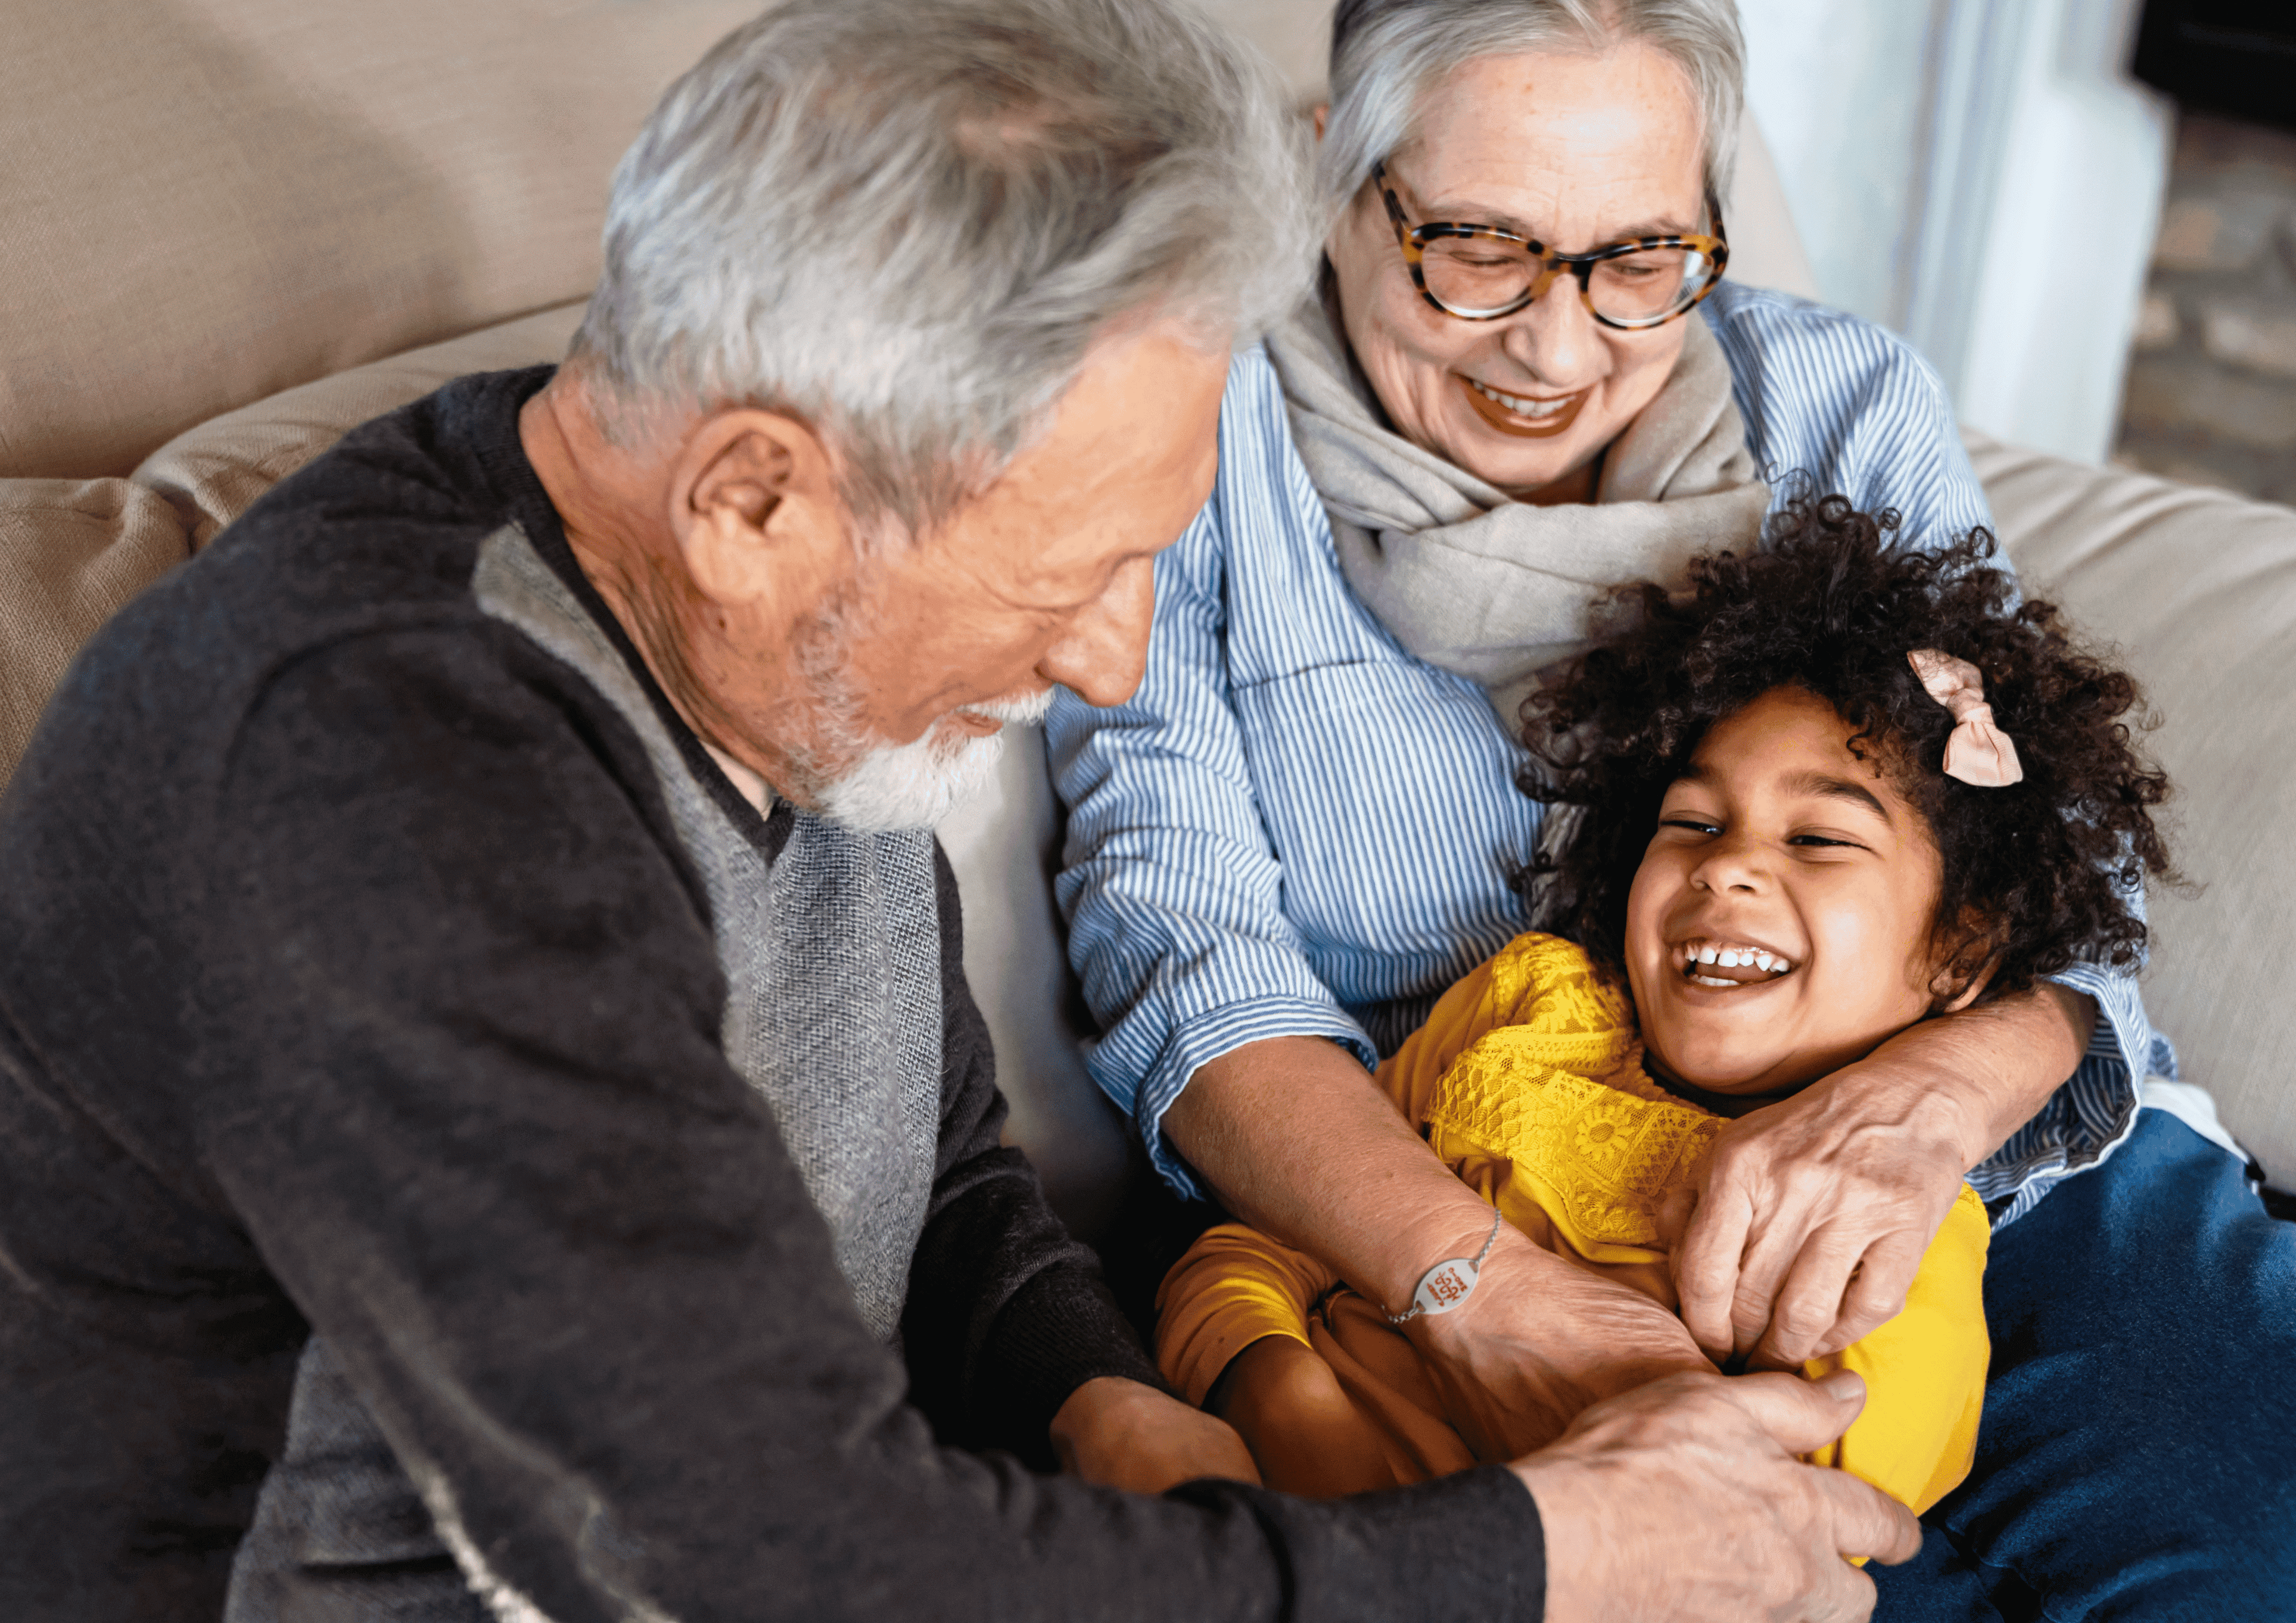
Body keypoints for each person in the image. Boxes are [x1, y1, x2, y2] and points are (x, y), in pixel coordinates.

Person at [0, 1, 1925, 1621]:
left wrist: (1119, 1412)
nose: (1104, 663)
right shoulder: (387, 774)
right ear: (757, 499)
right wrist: (1553, 1551)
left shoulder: (778, 625)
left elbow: (933, 1180)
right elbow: (768, 1545)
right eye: (1065, 578)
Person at [1050, 0, 2296, 1613]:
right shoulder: (1192, 433)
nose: (1558, 349)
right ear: (1330, 184)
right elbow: (1185, 963)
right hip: (1480, 1201)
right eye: (1478, 250)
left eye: (1641, 257)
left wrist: (1926, 1101)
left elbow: (2060, 862)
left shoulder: (1834, 404)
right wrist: (1481, 1290)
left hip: (1972, 1168)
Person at [1157, 499, 2178, 1510]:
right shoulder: (1525, 1002)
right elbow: (1266, 1233)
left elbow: (1775, 1522)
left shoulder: (1882, 1226)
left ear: (1960, 949)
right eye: (1691, 820)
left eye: (1819, 839)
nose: (1726, 867)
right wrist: (1281, 1394)